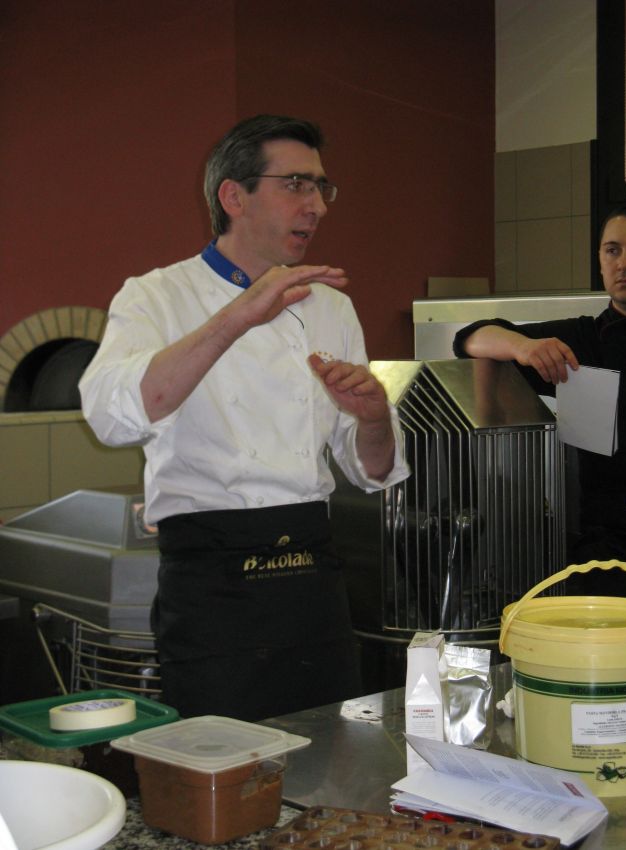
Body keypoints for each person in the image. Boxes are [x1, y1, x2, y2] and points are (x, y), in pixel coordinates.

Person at [80, 114, 410, 720]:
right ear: (233, 195)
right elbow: (112, 416)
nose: (317, 206)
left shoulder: (333, 306)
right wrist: (237, 316)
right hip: (214, 581)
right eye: (296, 185)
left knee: (330, 753)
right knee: (223, 770)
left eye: (321, 188)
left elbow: (370, 471)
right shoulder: (156, 296)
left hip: (313, 574)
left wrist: (371, 420)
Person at [453, 203, 626, 597]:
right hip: (607, 542)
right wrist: (523, 347)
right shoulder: (581, 341)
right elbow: (469, 338)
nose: (624, 263)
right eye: (612, 250)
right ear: (600, 260)